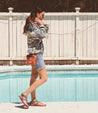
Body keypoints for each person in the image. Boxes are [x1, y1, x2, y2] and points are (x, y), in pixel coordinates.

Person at [19, 7, 49, 109]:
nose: (43, 17)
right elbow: (42, 34)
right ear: (37, 14)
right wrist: (41, 25)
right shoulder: (32, 26)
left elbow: (46, 29)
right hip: (37, 54)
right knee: (44, 78)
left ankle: (33, 100)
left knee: (33, 77)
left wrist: (41, 24)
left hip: (34, 54)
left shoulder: (33, 24)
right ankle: (24, 95)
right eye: (42, 15)